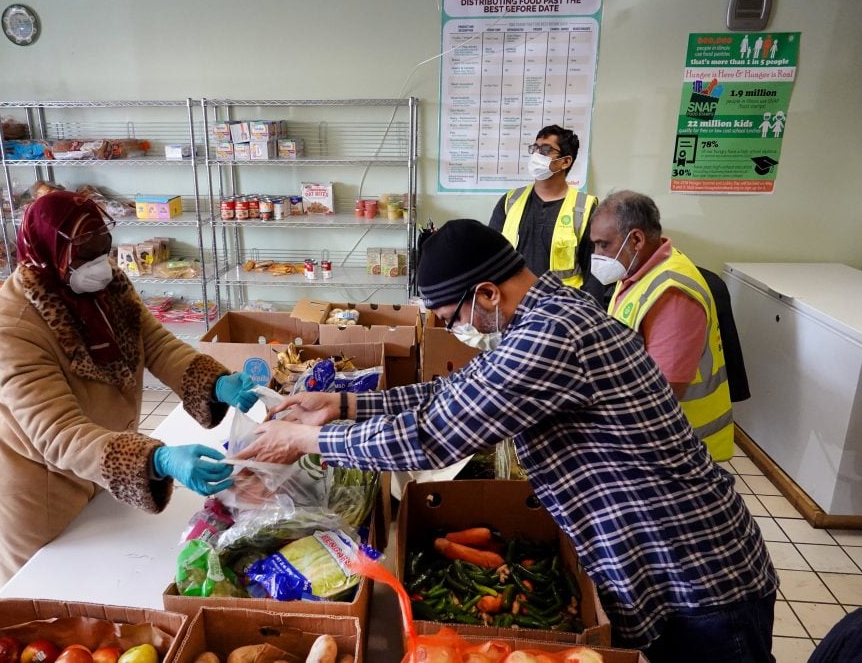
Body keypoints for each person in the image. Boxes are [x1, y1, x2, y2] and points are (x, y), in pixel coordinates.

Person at [238, 219, 779, 663]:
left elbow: (433, 437)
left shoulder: (551, 337)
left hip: (697, 575)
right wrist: (345, 405)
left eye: (453, 317)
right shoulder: (545, 315)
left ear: (488, 293)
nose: (457, 329)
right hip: (661, 557)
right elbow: (459, 390)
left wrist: (308, 441)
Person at [0, 191, 259, 592]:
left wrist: (214, 381)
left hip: (98, 456)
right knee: (48, 595)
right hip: (36, 481)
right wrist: (155, 459)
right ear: (48, 253)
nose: (100, 266)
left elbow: (156, 344)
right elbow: (58, 433)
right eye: (84, 254)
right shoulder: (11, 327)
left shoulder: (107, 287)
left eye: (102, 248)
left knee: (110, 578)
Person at [587, 190, 734, 461]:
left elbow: (664, 391)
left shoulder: (671, 292)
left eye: (603, 245)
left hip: (679, 442)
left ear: (636, 239)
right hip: (652, 432)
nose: (597, 255)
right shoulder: (639, 269)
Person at [488, 124, 607, 306]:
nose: (537, 155)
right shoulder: (511, 200)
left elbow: (595, 273)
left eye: (545, 150)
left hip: (563, 310)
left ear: (565, 162)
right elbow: (489, 256)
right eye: (534, 148)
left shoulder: (585, 208)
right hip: (513, 307)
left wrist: (587, 313)